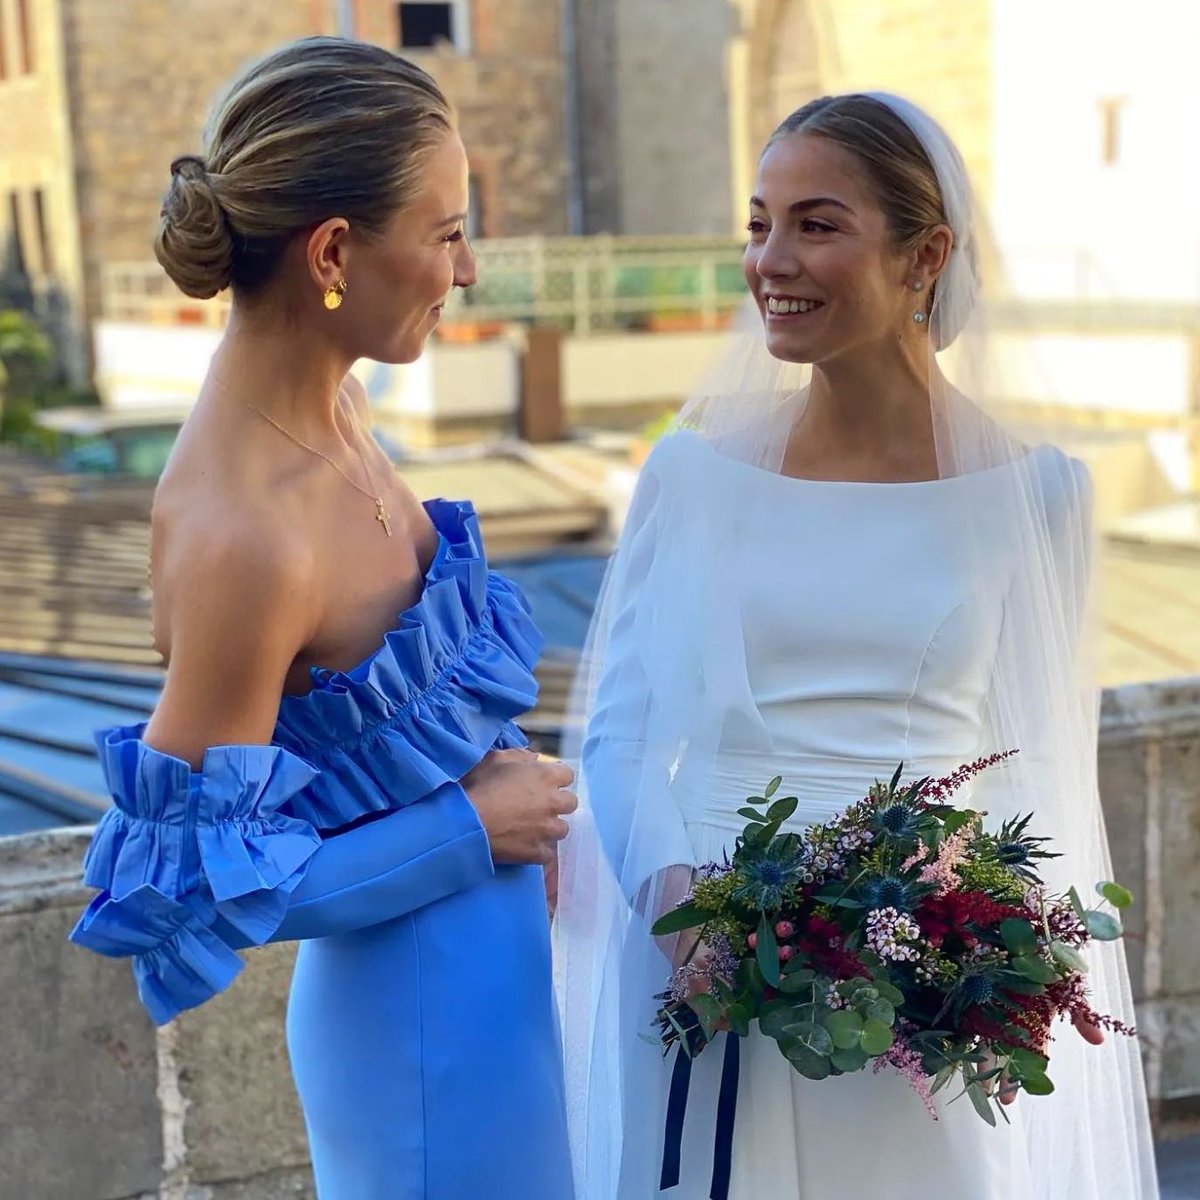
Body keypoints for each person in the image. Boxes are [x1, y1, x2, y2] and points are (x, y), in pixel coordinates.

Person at [554, 93, 1158, 1199]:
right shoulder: (691, 477)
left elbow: (1040, 781)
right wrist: (676, 902)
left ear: (924, 256)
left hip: (912, 1016)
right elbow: (620, 732)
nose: (771, 261)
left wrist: (975, 945)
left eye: (817, 225)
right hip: (708, 966)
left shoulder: (1039, 496)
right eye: (758, 223)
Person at [69, 37, 575, 1200]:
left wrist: (486, 789)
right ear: (336, 252)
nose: (470, 269)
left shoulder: (338, 403)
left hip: (492, 997)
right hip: (417, 1046)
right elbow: (187, 894)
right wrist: (469, 826)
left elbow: (380, 734)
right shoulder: (245, 532)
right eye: (447, 233)